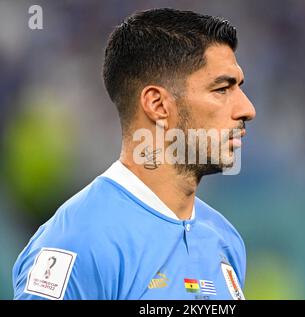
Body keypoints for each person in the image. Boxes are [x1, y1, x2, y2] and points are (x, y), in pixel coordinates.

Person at [13, 8, 256, 300]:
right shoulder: (78, 242)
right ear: (157, 104)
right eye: (222, 89)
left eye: (239, 87)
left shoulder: (224, 239)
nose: (247, 110)